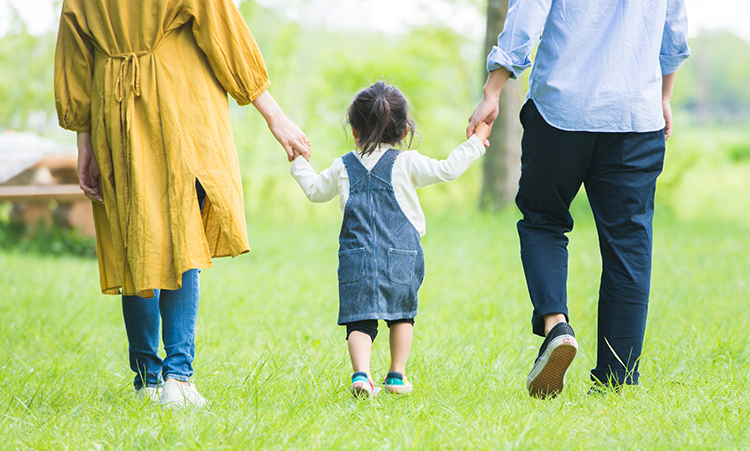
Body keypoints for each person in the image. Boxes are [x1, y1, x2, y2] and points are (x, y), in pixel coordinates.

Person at [54, 0, 311, 407]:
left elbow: (75, 58)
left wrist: (84, 140)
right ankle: (179, 377)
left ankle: (147, 380)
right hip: (178, 106)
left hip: (114, 113)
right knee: (181, 233)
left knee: (135, 237)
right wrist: (274, 115)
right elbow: (222, 33)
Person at [467, 0, 691, 398]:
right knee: (629, 243)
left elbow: (527, 14)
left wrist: (493, 89)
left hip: (561, 110)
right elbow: (674, 32)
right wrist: (664, 96)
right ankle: (617, 379)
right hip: (635, 116)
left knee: (543, 221)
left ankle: (557, 327)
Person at [290, 82, 490, 397]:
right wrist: (476, 142)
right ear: (403, 130)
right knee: (402, 315)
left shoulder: (343, 166)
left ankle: (361, 375)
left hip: (356, 257)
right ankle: (396, 376)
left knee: (360, 320)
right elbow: (448, 170)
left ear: (354, 130)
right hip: (402, 256)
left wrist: (298, 161)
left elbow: (315, 191)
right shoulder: (407, 162)